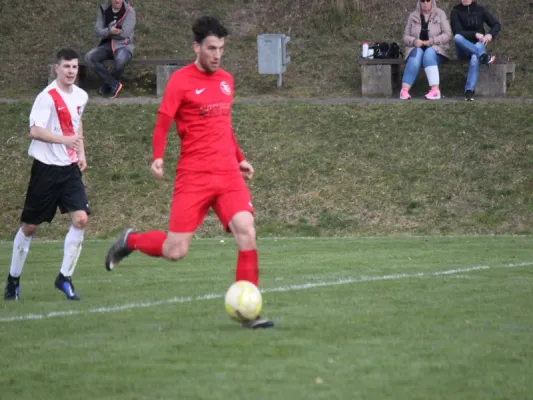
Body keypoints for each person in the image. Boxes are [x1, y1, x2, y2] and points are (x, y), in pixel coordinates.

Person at [104, 16, 274, 329]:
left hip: (227, 175)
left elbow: (222, 125)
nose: (217, 54)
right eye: (211, 48)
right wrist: (157, 156)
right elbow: (162, 120)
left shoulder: (226, 80)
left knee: (247, 230)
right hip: (193, 176)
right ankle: (132, 241)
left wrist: (240, 157)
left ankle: (250, 312)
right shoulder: (180, 81)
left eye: (221, 48)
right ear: (196, 47)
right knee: (175, 250)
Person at [4, 49, 90, 301]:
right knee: (30, 227)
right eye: (66, 67)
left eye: (74, 67)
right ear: (57, 68)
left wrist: (81, 151)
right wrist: (65, 140)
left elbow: (77, 122)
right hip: (45, 169)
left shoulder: (81, 95)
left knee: (81, 219)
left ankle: (64, 278)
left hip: (70, 169)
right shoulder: (47, 97)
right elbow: (34, 131)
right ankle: (13, 279)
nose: (71, 71)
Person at [400, 0, 452, 100]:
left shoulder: (440, 14)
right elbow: (405, 36)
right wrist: (414, 41)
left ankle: (435, 91)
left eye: (428, 1)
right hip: (417, 48)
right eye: (422, 1)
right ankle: (404, 90)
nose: (425, 3)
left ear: (432, 1)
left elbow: (448, 35)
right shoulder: (413, 16)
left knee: (429, 53)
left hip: (437, 50)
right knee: (416, 54)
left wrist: (432, 41)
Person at [450, 0, 500, 101]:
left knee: (474, 56)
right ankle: (483, 56)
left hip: (478, 45)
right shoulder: (455, 11)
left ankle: (469, 90)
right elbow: (457, 31)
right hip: (463, 49)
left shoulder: (480, 9)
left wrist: (490, 35)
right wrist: (474, 34)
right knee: (457, 37)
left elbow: (496, 24)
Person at [84, 0, 136, 98]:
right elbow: (97, 31)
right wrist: (109, 31)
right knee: (89, 57)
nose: (117, 0)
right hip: (107, 44)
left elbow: (125, 33)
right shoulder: (103, 9)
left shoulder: (130, 11)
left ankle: (107, 85)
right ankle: (114, 84)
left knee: (120, 60)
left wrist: (110, 32)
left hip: (123, 45)